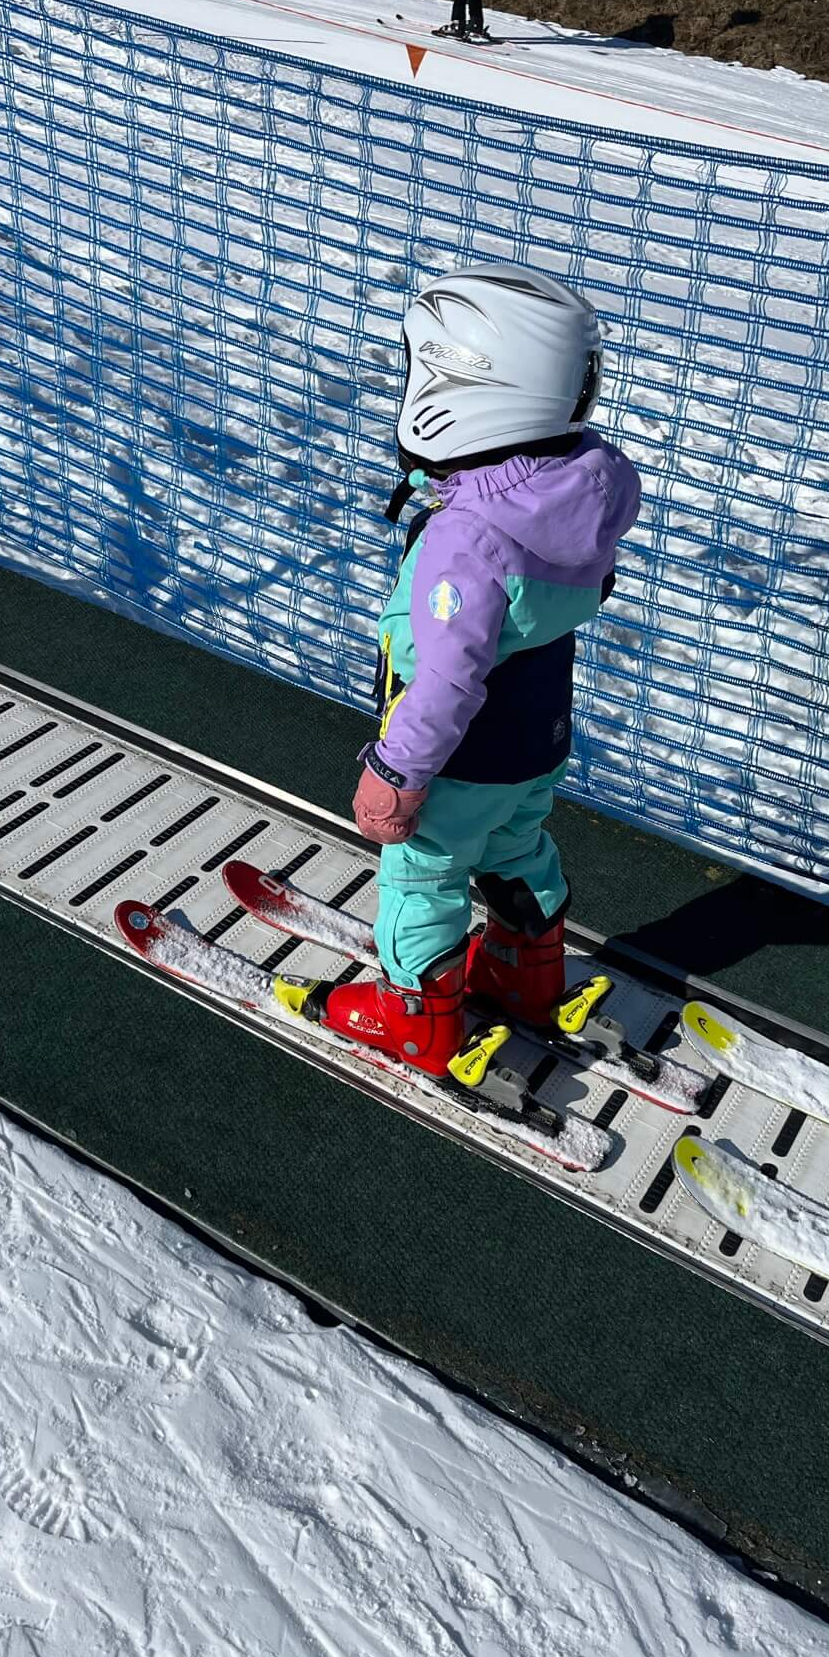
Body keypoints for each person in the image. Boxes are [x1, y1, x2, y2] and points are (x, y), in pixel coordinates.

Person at [315, 265, 642, 1075]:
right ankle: (523, 975)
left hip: (456, 760)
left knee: (422, 874)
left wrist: (396, 773)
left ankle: (415, 1020)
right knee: (514, 845)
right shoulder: (575, 491)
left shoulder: (470, 537)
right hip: (536, 743)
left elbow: (448, 679)